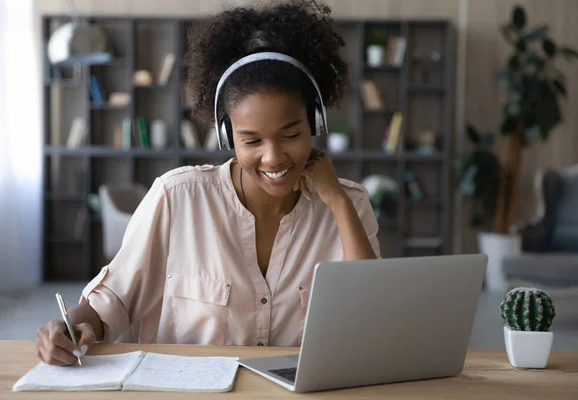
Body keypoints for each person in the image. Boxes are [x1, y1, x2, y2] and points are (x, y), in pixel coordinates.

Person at [36, 0, 381, 366]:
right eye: (252, 141)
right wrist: (68, 327)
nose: (274, 157)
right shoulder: (177, 197)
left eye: (291, 134)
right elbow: (112, 301)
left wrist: (339, 203)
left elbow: (370, 318)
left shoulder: (350, 203)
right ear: (226, 136)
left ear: (315, 123)